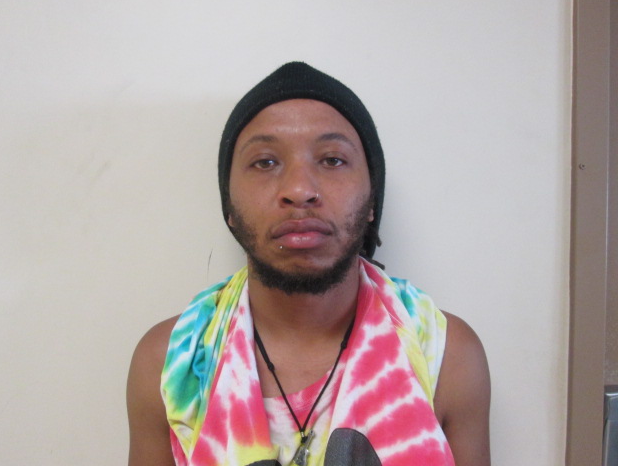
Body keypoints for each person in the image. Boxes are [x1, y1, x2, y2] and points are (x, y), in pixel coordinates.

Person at [126, 62, 490, 466]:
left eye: (332, 160)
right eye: (265, 162)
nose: (299, 190)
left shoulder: (446, 355)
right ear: (229, 206)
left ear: (372, 201)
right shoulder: (169, 363)